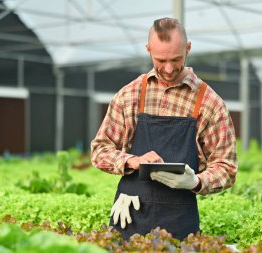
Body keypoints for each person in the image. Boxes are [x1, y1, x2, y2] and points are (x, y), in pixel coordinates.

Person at [90, 17, 237, 240]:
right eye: (161, 60)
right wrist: (131, 161)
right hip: (131, 213)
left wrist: (196, 182)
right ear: (148, 50)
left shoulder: (210, 103)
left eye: (176, 59)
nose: (168, 69)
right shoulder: (130, 95)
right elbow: (100, 150)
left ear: (188, 48)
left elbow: (227, 167)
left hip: (179, 222)